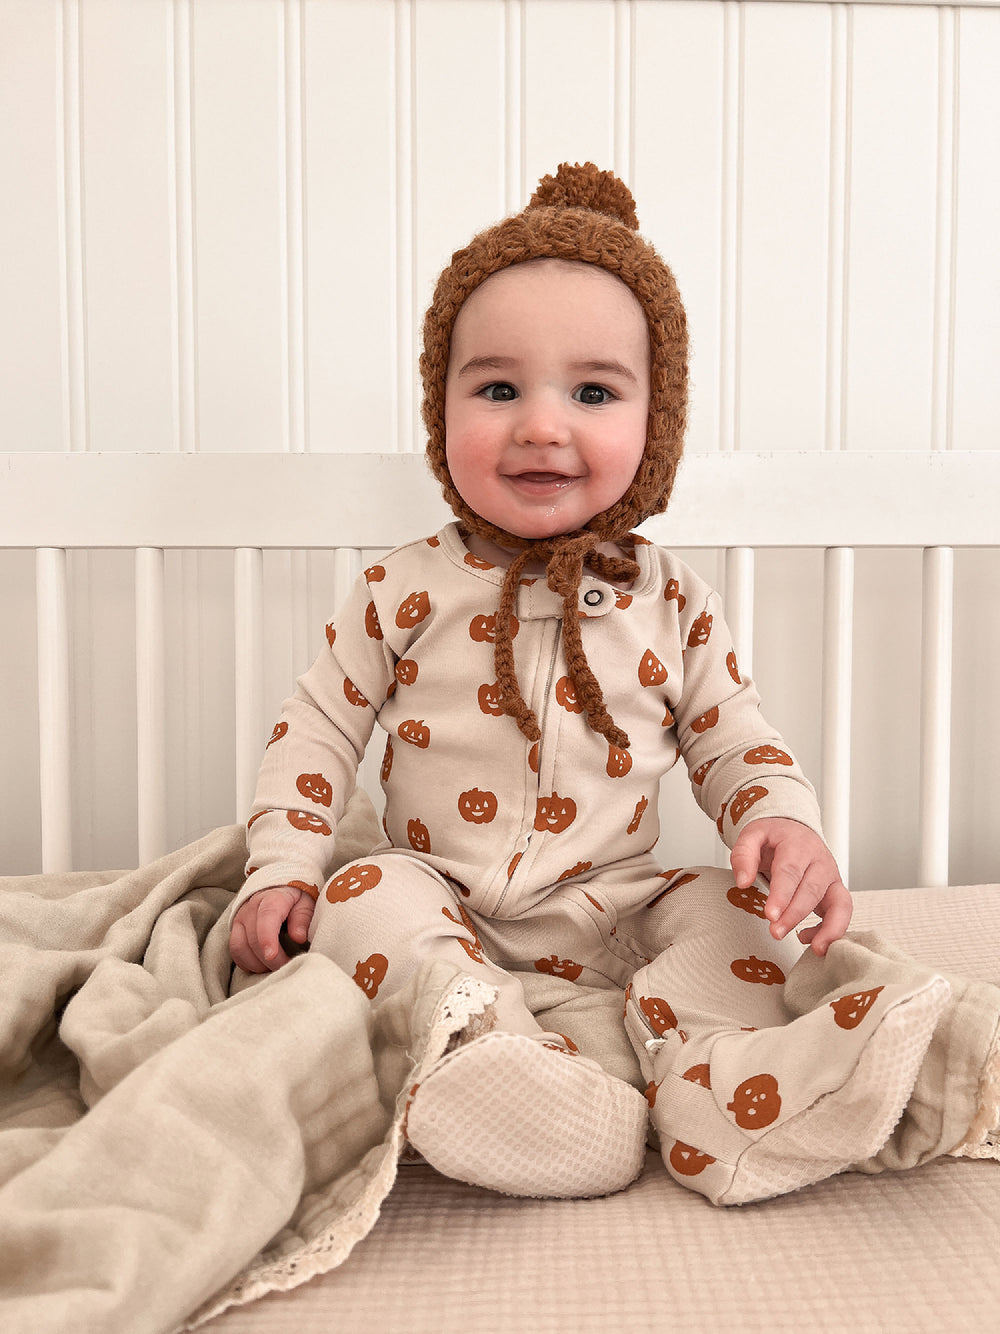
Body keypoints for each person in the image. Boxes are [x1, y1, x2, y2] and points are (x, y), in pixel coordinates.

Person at [228, 164, 997, 1206]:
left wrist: (778, 819)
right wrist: (281, 866)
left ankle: (735, 1092)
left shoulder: (670, 600)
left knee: (727, 909)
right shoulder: (402, 587)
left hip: (614, 910)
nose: (541, 425)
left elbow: (733, 736)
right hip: (443, 897)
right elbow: (318, 727)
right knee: (361, 894)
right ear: (441, 409)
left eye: (592, 392)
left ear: (654, 422)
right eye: (497, 389)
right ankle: (492, 1061)